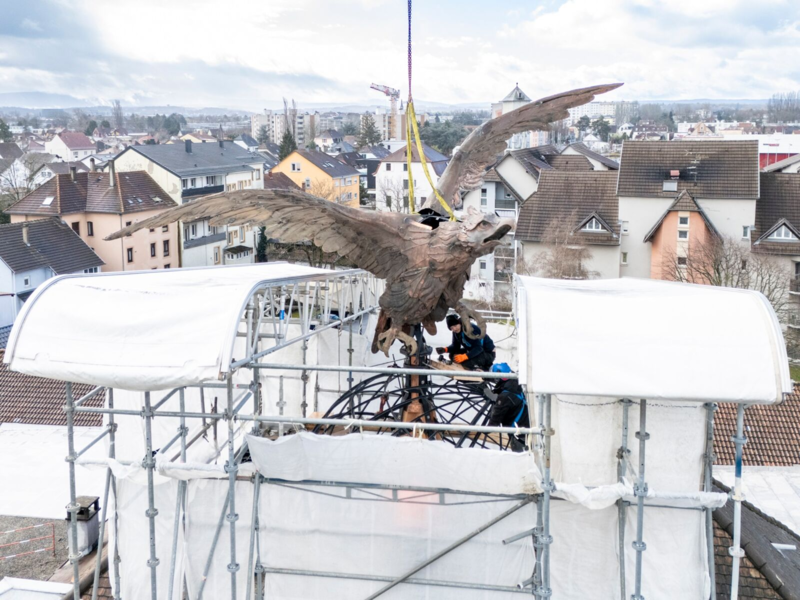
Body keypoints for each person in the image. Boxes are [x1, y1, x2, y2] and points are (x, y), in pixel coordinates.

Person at [488, 362, 528, 452]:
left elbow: (494, 421)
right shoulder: (515, 384)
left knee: (520, 458)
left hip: (519, 435)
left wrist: (481, 430)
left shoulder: (505, 397)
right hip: (525, 428)